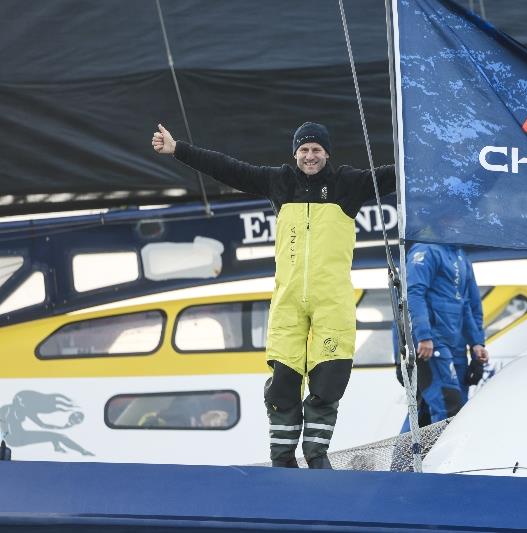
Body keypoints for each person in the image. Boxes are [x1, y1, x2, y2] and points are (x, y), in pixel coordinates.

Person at [152, 122, 395, 468]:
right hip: (288, 301)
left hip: (332, 300)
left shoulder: (348, 184)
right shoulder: (279, 182)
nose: (310, 156)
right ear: (295, 153)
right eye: (304, 150)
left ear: (327, 153)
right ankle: (282, 459)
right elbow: (229, 169)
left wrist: (438, 156)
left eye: (316, 150)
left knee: (329, 379)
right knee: (283, 382)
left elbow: (395, 174)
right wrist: (179, 150)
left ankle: (316, 454)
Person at [402, 243, 488, 427]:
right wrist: (424, 335)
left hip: (456, 347)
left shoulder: (461, 255)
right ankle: (443, 456)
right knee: (448, 406)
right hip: (433, 344)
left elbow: (466, 304)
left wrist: (476, 343)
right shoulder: (425, 250)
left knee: (438, 409)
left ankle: (405, 456)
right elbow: (413, 294)